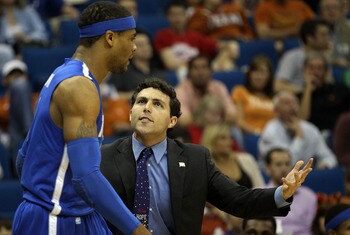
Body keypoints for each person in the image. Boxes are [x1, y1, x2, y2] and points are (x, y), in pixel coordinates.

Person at [100, 77, 314, 235]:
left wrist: (281, 193)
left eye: (157, 104)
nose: (146, 108)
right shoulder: (104, 157)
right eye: (141, 102)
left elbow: (237, 199)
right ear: (130, 114)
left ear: (172, 121)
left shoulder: (195, 159)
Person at [12, 1, 150, 235]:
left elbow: (23, 158)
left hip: (75, 213)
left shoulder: (63, 75)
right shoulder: (79, 88)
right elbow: (86, 176)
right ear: (110, 38)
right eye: (131, 38)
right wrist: (138, 230)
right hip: (54, 219)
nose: (134, 47)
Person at [259, 91, 338, 169]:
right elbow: (286, 164)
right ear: (276, 110)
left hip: (306, 178)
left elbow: (329, 157)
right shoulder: (271, 130)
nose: (292, 107)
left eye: (295, 103)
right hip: (279, 179)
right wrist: (299, 137)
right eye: (287, 103)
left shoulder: (310, 129)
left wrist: (325, 165)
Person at [264, 148, 317, 235]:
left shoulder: (309, 195)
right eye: (278, 164)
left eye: (287, 164)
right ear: (268, 168)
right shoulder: (259, 194)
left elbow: (308, 228)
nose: (284, 168)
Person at [1, 59, 33, 174]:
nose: (17, 79)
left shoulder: (38, 98)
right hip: (13, 143)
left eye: (19, 75)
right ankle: (31, 138)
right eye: (12, 75)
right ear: (5, 80)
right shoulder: (2, 102)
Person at [231, 55, 275, 135]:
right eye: (255, 72)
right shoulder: (240, 91)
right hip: (250, 136)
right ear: (249, 74)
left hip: (272, 138)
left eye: (262, 72)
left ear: (269, 76)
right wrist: (257, 133)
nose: (258, 76)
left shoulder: (274, 98)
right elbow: (238, 121)